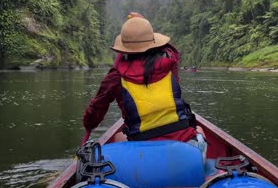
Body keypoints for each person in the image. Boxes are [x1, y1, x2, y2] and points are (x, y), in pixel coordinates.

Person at [81, 12, 206, 158]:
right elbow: (169, 49)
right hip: (184, 146)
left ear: (123, 48)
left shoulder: (115, 76)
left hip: (142, 149)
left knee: (116, 138)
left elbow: (95, 111)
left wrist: (89, 124)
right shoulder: (170, 65)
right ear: (153, 43)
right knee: (200, 131)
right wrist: (142, 27)